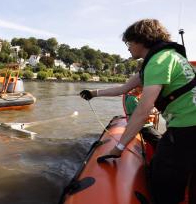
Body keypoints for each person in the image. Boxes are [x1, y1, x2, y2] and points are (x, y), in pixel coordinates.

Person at [80, 19, 196, 204]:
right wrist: (93, 93)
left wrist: (119, 148)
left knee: (163, 181)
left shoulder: (158, 61)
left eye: (129, 43)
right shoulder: (168, 57)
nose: (127, 48)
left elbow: (143, 110)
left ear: (141, 40)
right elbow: (123, 88)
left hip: (187, 127)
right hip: (188, 124)